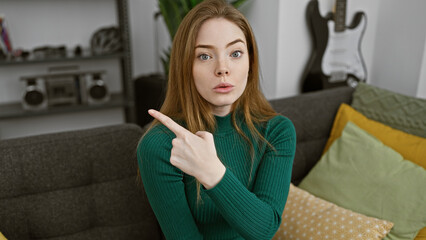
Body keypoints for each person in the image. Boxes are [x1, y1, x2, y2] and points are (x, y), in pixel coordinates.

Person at [137, 0, 296, 239]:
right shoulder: (161, 145)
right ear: (184, 67)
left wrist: (212, 172)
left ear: (250, 63)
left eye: (235, 53)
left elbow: (264, 229)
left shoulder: (277, 131)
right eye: (204, 56)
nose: (223, 68)